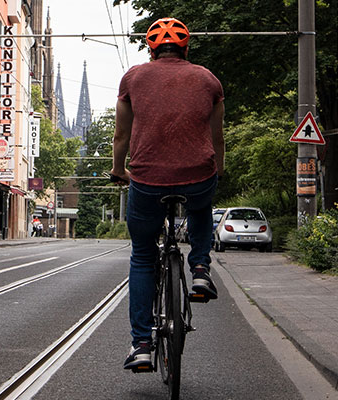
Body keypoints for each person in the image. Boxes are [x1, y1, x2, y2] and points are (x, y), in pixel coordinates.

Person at [110, 18, 225, 370]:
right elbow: (217, 136)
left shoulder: (133, 78)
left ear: (151, 49)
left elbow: (121, 135)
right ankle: (201, 268)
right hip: (197, 176)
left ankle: (142, 345)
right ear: (186, 48)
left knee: (143, 256)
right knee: (201, 205)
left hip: (147, 180)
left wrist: (119, 170)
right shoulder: (208, 80)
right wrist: (215, 170)